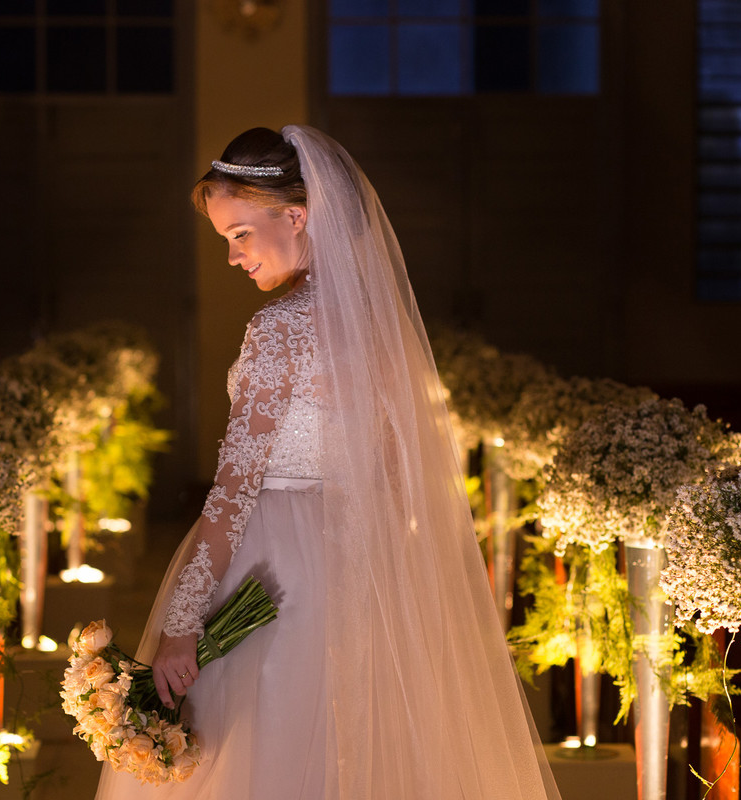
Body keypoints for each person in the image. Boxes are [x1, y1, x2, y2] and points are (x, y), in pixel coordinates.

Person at [94, 126, 561, 800]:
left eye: (241, 235)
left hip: (273, 571)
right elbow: (401, 480)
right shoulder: (379, 324)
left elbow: (231, 493)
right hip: (365, 567)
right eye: (226, 239)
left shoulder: (278, 329)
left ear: (297, 215)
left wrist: (177, 629)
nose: (231, 257)